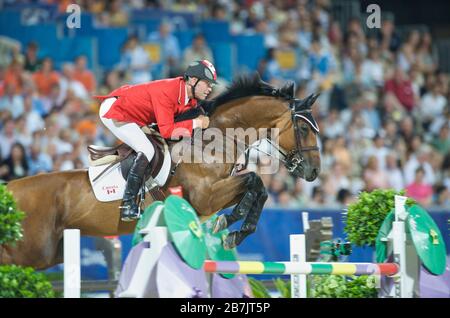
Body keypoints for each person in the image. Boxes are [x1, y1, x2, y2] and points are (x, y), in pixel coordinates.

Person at [96, 60, 217, 221]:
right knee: (147, 149)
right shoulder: (168, 91)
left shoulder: (189, 96)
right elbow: (167, 131)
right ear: (193, 81)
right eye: (207, 84)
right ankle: (128, 204)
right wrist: (197, 123)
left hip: (135, 115)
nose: (210, 89)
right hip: (117, 111)